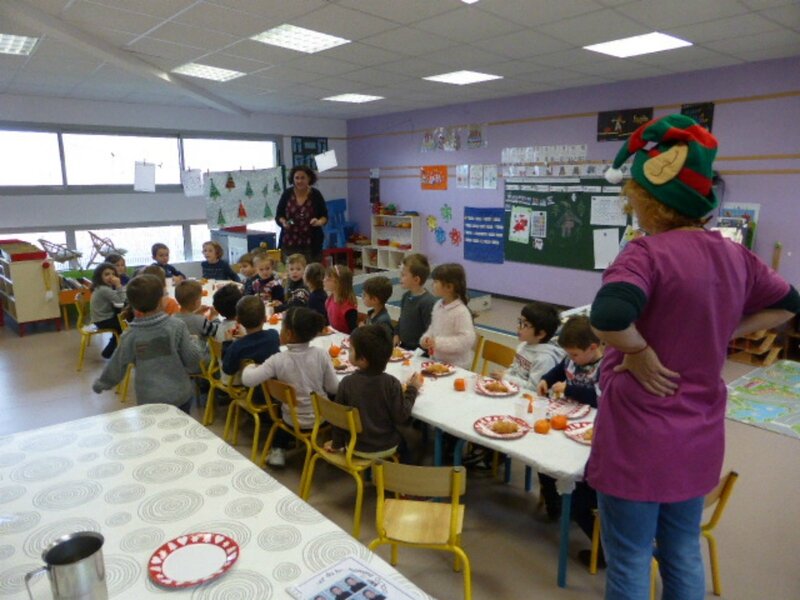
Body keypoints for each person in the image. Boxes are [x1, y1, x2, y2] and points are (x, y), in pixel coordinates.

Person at [587, 114, 799, 600]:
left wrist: (637, 352)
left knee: (631, 559)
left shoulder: (645, 254)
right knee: (682, 549)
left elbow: (608, 315)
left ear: (647, 199)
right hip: (699, 433)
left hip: (638, 436)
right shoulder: (734, 254)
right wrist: (727, 328)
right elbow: (790, 304)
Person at [536, 315, 604, 563]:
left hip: (591, 426)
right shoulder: (571, 358)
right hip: (567, 420)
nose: (571, 358)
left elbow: (599, 399)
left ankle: (602, 547)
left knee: (575, 481)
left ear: (593, 347)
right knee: (544, 458)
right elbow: (559, 369)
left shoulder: (604, 368)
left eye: (575, 354)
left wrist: (570, 389)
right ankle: (554, 501)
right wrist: (547, 379)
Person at [241, 307, 339, 467]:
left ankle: (278, 451)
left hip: (291, 419)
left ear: (288, 333)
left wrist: (250, 366)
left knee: (284, 411)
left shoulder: (277, 359)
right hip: (320, 419)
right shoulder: (321, 354)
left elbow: (248, 380)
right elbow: (333, 388)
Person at [92, 273, 202, 412]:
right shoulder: (176, 326)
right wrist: (194, 341)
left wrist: (102, 383)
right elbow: (193, 360)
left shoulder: (130, 335)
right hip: (179, 395)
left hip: (149, 398)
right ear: (161, 301)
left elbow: (117, 364)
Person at [328, 325, 422, 459]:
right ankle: (402, 474)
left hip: (355, 446)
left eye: (351, 350)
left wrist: (336, 445)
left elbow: (338, 418)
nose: (348, 351)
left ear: (363, 360)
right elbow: (402, 416)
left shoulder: (346, 383)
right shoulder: (391, 383)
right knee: (407, 443)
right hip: (385, 446)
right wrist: (413, 389)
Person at [419, 263, 476, 369]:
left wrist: (438, 343)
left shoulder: (461, 312)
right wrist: (426, 338)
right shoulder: (438, 305)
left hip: (457, 366)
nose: (432, 285)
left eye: (436, 282)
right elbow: (433, 328)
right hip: (437, 361)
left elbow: (466, 341)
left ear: (449, 287)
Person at [499, 301, 565, 390]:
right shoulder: (523, 346)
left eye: (525, 325)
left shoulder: (544, 359)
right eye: (520, 321)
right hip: (514, 391)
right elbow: (515, 369)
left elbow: (534, 388)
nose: (519, 327)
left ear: (540, 334)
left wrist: (506, 378)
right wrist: (505, 374)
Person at [222, 296, 280, 386]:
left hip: (252, 392)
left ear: (238, 320)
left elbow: (227, 369)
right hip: (275, 390)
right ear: (265, 318)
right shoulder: (274, 335)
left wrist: (227, 343)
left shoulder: (237, 347)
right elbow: (257, 343)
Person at [275, 165, 329, 263]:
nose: (299, 181)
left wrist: (318, 222)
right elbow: (279, 215)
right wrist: (283, 222)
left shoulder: (315, 194)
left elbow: (324, 216)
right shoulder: (287, 194)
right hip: (289, 242)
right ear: (293, 179)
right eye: (297, 178)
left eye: (303, 178)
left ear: (309, 178)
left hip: (311, 244)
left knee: (311, 274)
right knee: (292, 272)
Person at [394, 253, 437, 351]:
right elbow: (402, 319)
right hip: (404, 347)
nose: (400, 277)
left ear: (416, 279)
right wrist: (396, 334)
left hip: (419, 352)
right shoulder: (406, 296)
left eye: (404, 275)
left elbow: (430, 331)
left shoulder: (428, 302)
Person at [89, 261, 126, 358]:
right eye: (107, 274)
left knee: (122, 324)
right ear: (99, 276)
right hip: (103, 320)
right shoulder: (104, 289)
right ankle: (117, 352)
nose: (111, 277)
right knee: (125, 325)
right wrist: (118, 285)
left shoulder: (102, 287)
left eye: (113, 274)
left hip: (100, 318)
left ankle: (108, 352)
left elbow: (118, 301)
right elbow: (121, 301)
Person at [324, 265, 357, 333]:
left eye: (329, 279)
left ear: (339, 283)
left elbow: (354, 333)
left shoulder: (348, 308)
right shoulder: (329, 300)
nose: (324, 280)